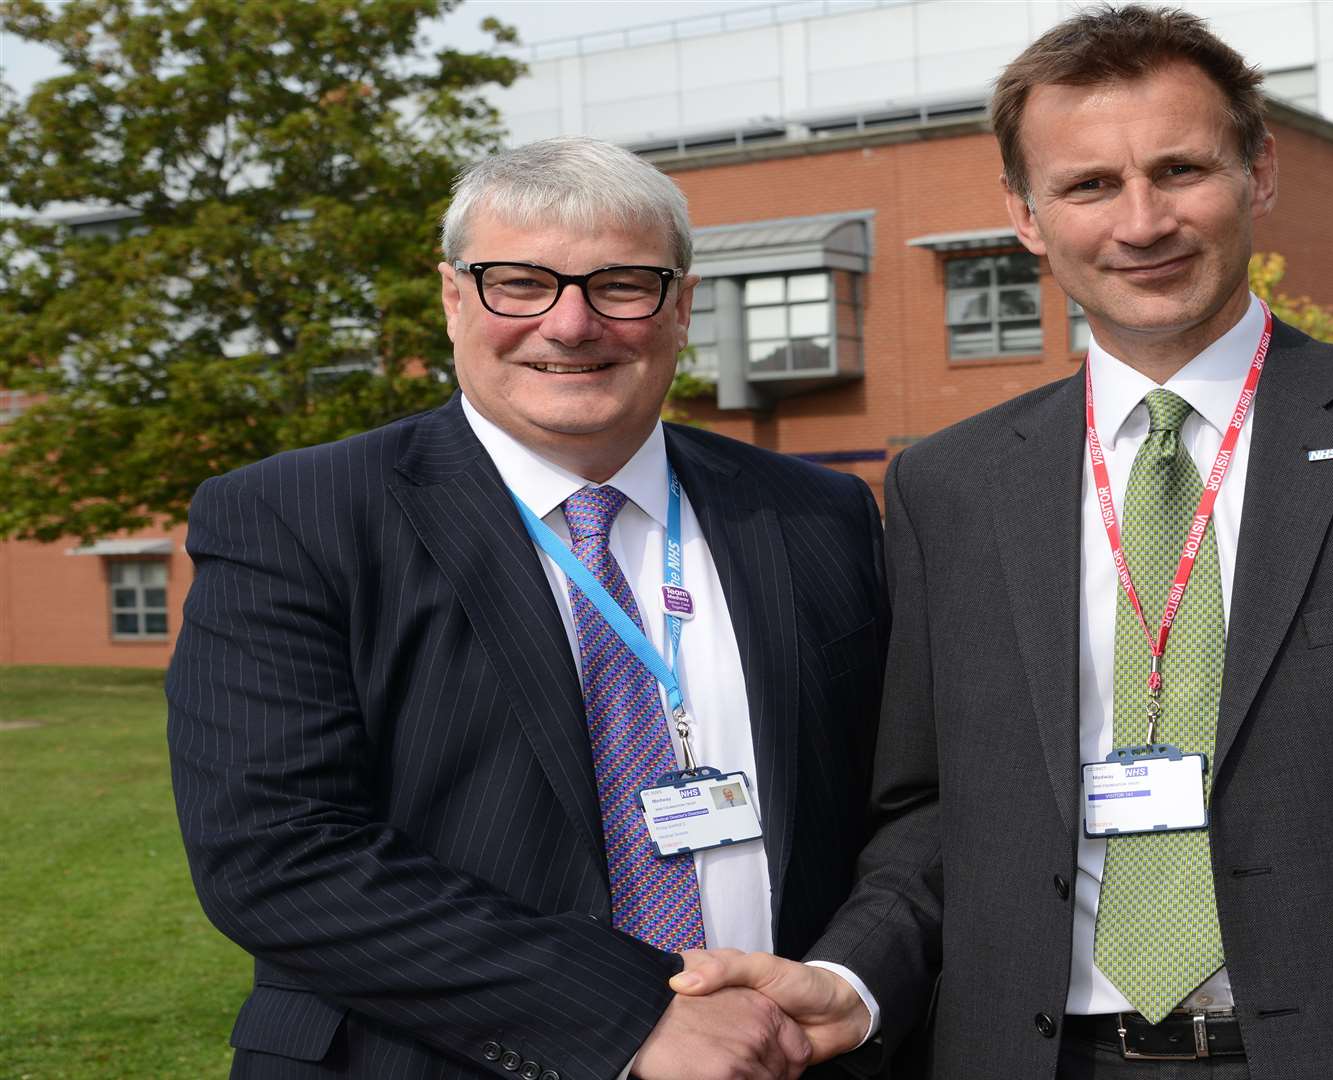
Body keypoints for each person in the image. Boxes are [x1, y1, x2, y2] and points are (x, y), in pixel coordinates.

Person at [672, 6, 1333, 1078]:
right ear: (1024, 213)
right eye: (1090, 185)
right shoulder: (947, 487)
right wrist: (855, 977)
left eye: (1181, 169)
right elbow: (932, 812)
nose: (1141, 223)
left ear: (1260, 170)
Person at [168, 136, 887, 1080]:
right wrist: (632, 1020)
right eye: (519, 283)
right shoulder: (292, 517)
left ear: (682, 306)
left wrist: (854, 977)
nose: (571, 324)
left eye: (622, 284)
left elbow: (900, 798)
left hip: (784, 1058)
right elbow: (276, 852)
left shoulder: (817, 513)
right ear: (454, 298)